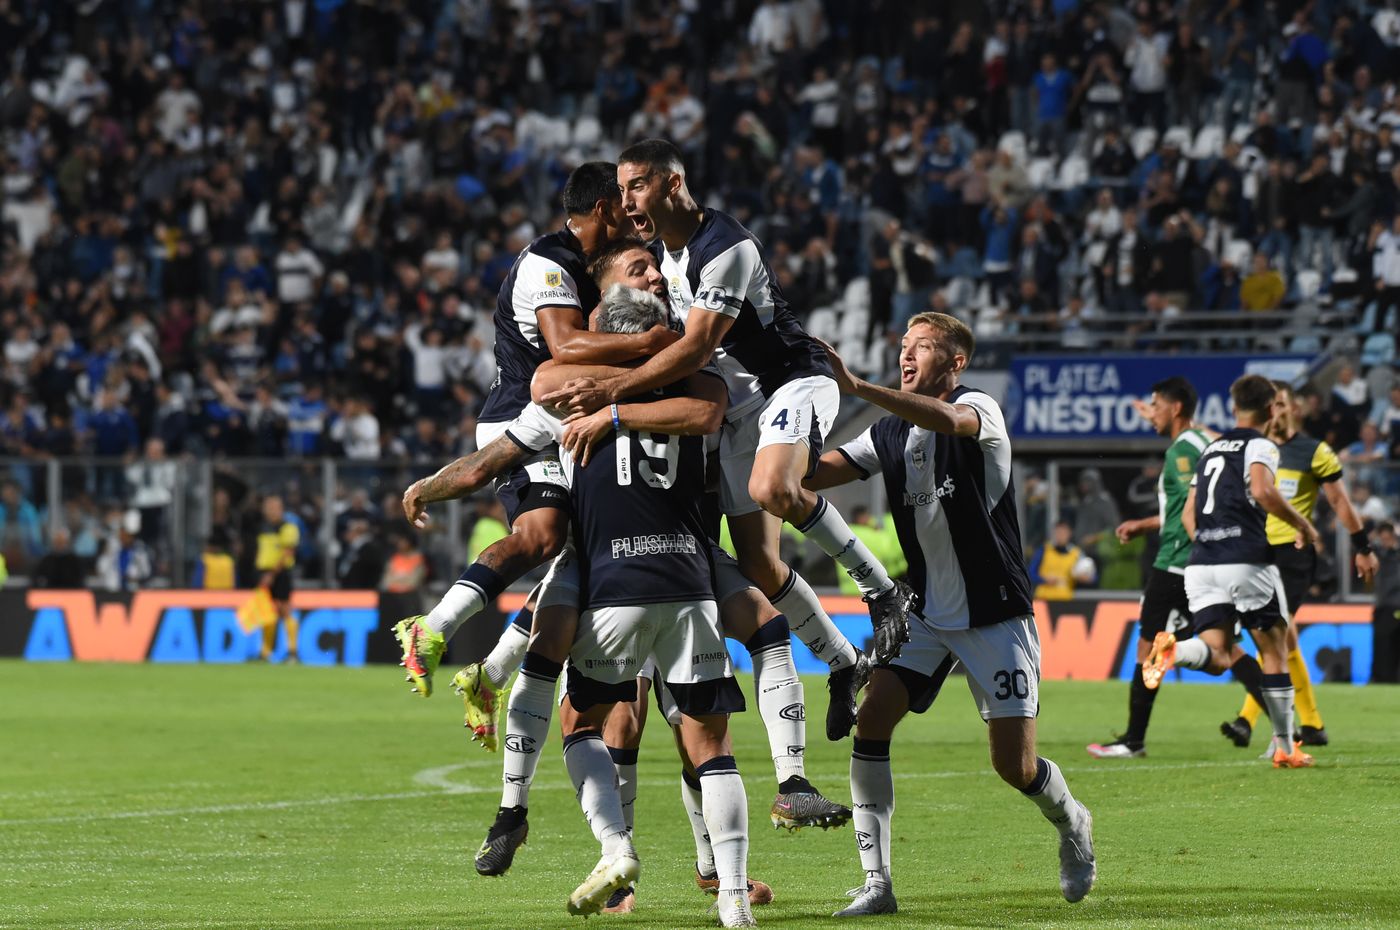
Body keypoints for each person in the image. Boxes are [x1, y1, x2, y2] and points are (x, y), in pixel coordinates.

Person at [418, 264, 847, 885]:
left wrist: (433, 486)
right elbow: (549, 392)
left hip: (649, 561)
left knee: (636, 706)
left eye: (652, 272)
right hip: (662, 562)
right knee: (649, 715)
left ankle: (656, 846)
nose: (653, 279)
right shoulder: (685, 381)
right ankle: (552, 822)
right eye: (637, 272)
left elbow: (506, 439)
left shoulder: (588, 389)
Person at [541, 139, 914, 742]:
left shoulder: (726, 248)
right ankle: (845, 660)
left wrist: (611, 395)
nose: (627, 199)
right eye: (623, 187)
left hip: (790, 382)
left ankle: (883, 591)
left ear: (672, 182)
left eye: (636, 185)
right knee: (762, 566)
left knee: (773, 486)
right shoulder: (666, 254)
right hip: (741, 411)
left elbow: (691, 347)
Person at [804, 312, 1096, 916]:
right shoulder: (886, 434)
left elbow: (953, 421)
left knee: (1013, 766)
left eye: (923, 348)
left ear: (955, 362)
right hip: (926, 612)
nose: (906, 357)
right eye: (903, 346)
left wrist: (855, 387)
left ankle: (1073, 823)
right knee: (872, 722)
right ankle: (878, 884)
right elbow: (815, 473)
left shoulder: (979, 408)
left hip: (995, 613)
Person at [393, 162, 670, 697]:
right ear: (602, 209)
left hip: (574, 407)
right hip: (527, 411)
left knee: (588, 552)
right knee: (544, 536)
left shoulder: (605, 264)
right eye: (626, 202)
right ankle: (434, 630)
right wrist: (654, 345)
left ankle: (491, 674)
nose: (636, 214)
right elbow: (565, 346)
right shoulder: (548, 262)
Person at [1143, 375, 1320, 768]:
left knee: (1218, 653)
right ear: (1273, 408)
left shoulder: (1211, 448)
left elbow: (1190, 514)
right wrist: (1303, 526)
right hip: (1247, 559)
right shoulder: (1262, 445)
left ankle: (1174, 648)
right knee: (1274, 650)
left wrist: (1210, 544)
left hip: (1203, 564)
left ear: (1234, 406)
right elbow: (1262, 491)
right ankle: (1285, 747)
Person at [1086, 378, 1257, 759]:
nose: (1151, 413)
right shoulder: (1203, 441)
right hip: (1201, 560)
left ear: (1176, 408)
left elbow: (1189, 510)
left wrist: (1203, 544)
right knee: (1224, 654)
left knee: (1149, 647)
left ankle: (1134, 740)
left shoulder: (1181, 451)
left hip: (1178, 562)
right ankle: (1286, 724)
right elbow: (1184, 506)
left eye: (1156, 405)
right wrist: (1145, 524)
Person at [1219, 382, 1380, 748]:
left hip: (1292, 554)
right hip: (1253, 553)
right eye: (1270, 404)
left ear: (1294, 409)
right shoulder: (1252, 449)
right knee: (1281, 639)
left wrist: (1362, 546)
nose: (1274, 411)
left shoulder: (1313, 451)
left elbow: (1340, 502)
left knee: (1273, 635)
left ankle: (1249, 719)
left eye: (1280, 404)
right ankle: (1312, 724)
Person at [255, 495, 300, 663]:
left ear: (281, 509)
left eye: (273, 507)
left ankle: (292, 652)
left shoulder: (288, 527)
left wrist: (272, 575)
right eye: (267, 507)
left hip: (279, 573)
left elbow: (287, 552)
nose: (269, 510)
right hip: (264, 572)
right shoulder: (264, 528)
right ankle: (265, 652)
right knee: (267, 612)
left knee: (284, 609)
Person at [1029, 520, 1093, 600]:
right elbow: (1031, 572)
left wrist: (1085, 578)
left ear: (1070, 533)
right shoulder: (1044, 550)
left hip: (1065, 599)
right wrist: (1044, 580)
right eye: (1058, 532)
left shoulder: (1077, 553)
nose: (1061, 535)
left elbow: (1092, 576)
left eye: (1064, 532)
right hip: (1043, 598)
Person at [1372, 522, 1400, 684]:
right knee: (1383, 647)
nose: (1385, 542)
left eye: (1387, 538)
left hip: (1395, 603)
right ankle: (1381, 679)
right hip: (1384, 606)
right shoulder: (1376, 554)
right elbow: (1360, 549)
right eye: (1382, 539)